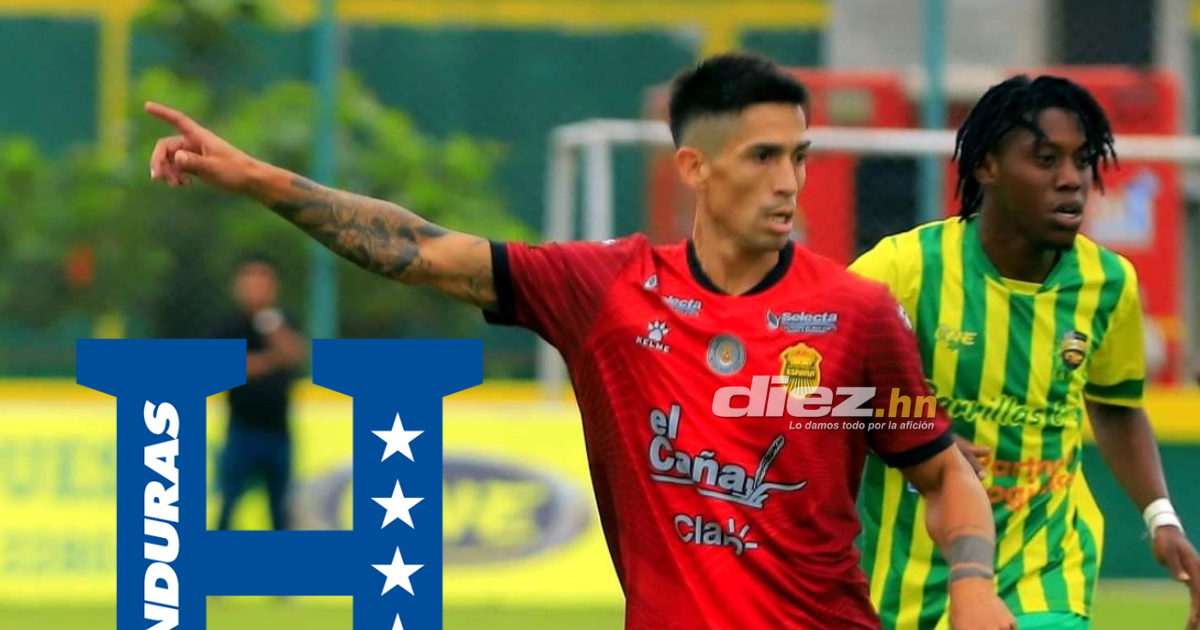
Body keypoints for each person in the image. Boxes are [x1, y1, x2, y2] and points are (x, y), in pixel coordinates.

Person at [146, 52, 1013, 630]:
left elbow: (945, 473)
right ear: (695, 168)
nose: (789, 182)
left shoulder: (856, 313)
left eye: (800, 156)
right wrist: (254, 178)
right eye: (762, 157)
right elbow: (423, 251)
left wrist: (973, 582)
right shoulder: (607, 290)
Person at [851, 74, 1200, 630]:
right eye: (1046, 160)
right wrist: (913, 432)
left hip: (1047, 568)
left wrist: (1162, 518)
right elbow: (800, 384)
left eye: (1082, 160)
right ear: (987, 166)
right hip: (909, 580)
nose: (1072, 180)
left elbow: (1115, 406)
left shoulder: (1107, 283)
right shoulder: (902, 270)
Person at [209, 253, 306, 533]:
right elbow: (223, 367)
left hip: (279, 431)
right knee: (228, 507)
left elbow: (295, 354)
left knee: (281, 512)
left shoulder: (282, 322)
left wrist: (270, 324)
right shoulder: (228, 326)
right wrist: (272, 359)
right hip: (241, 430)